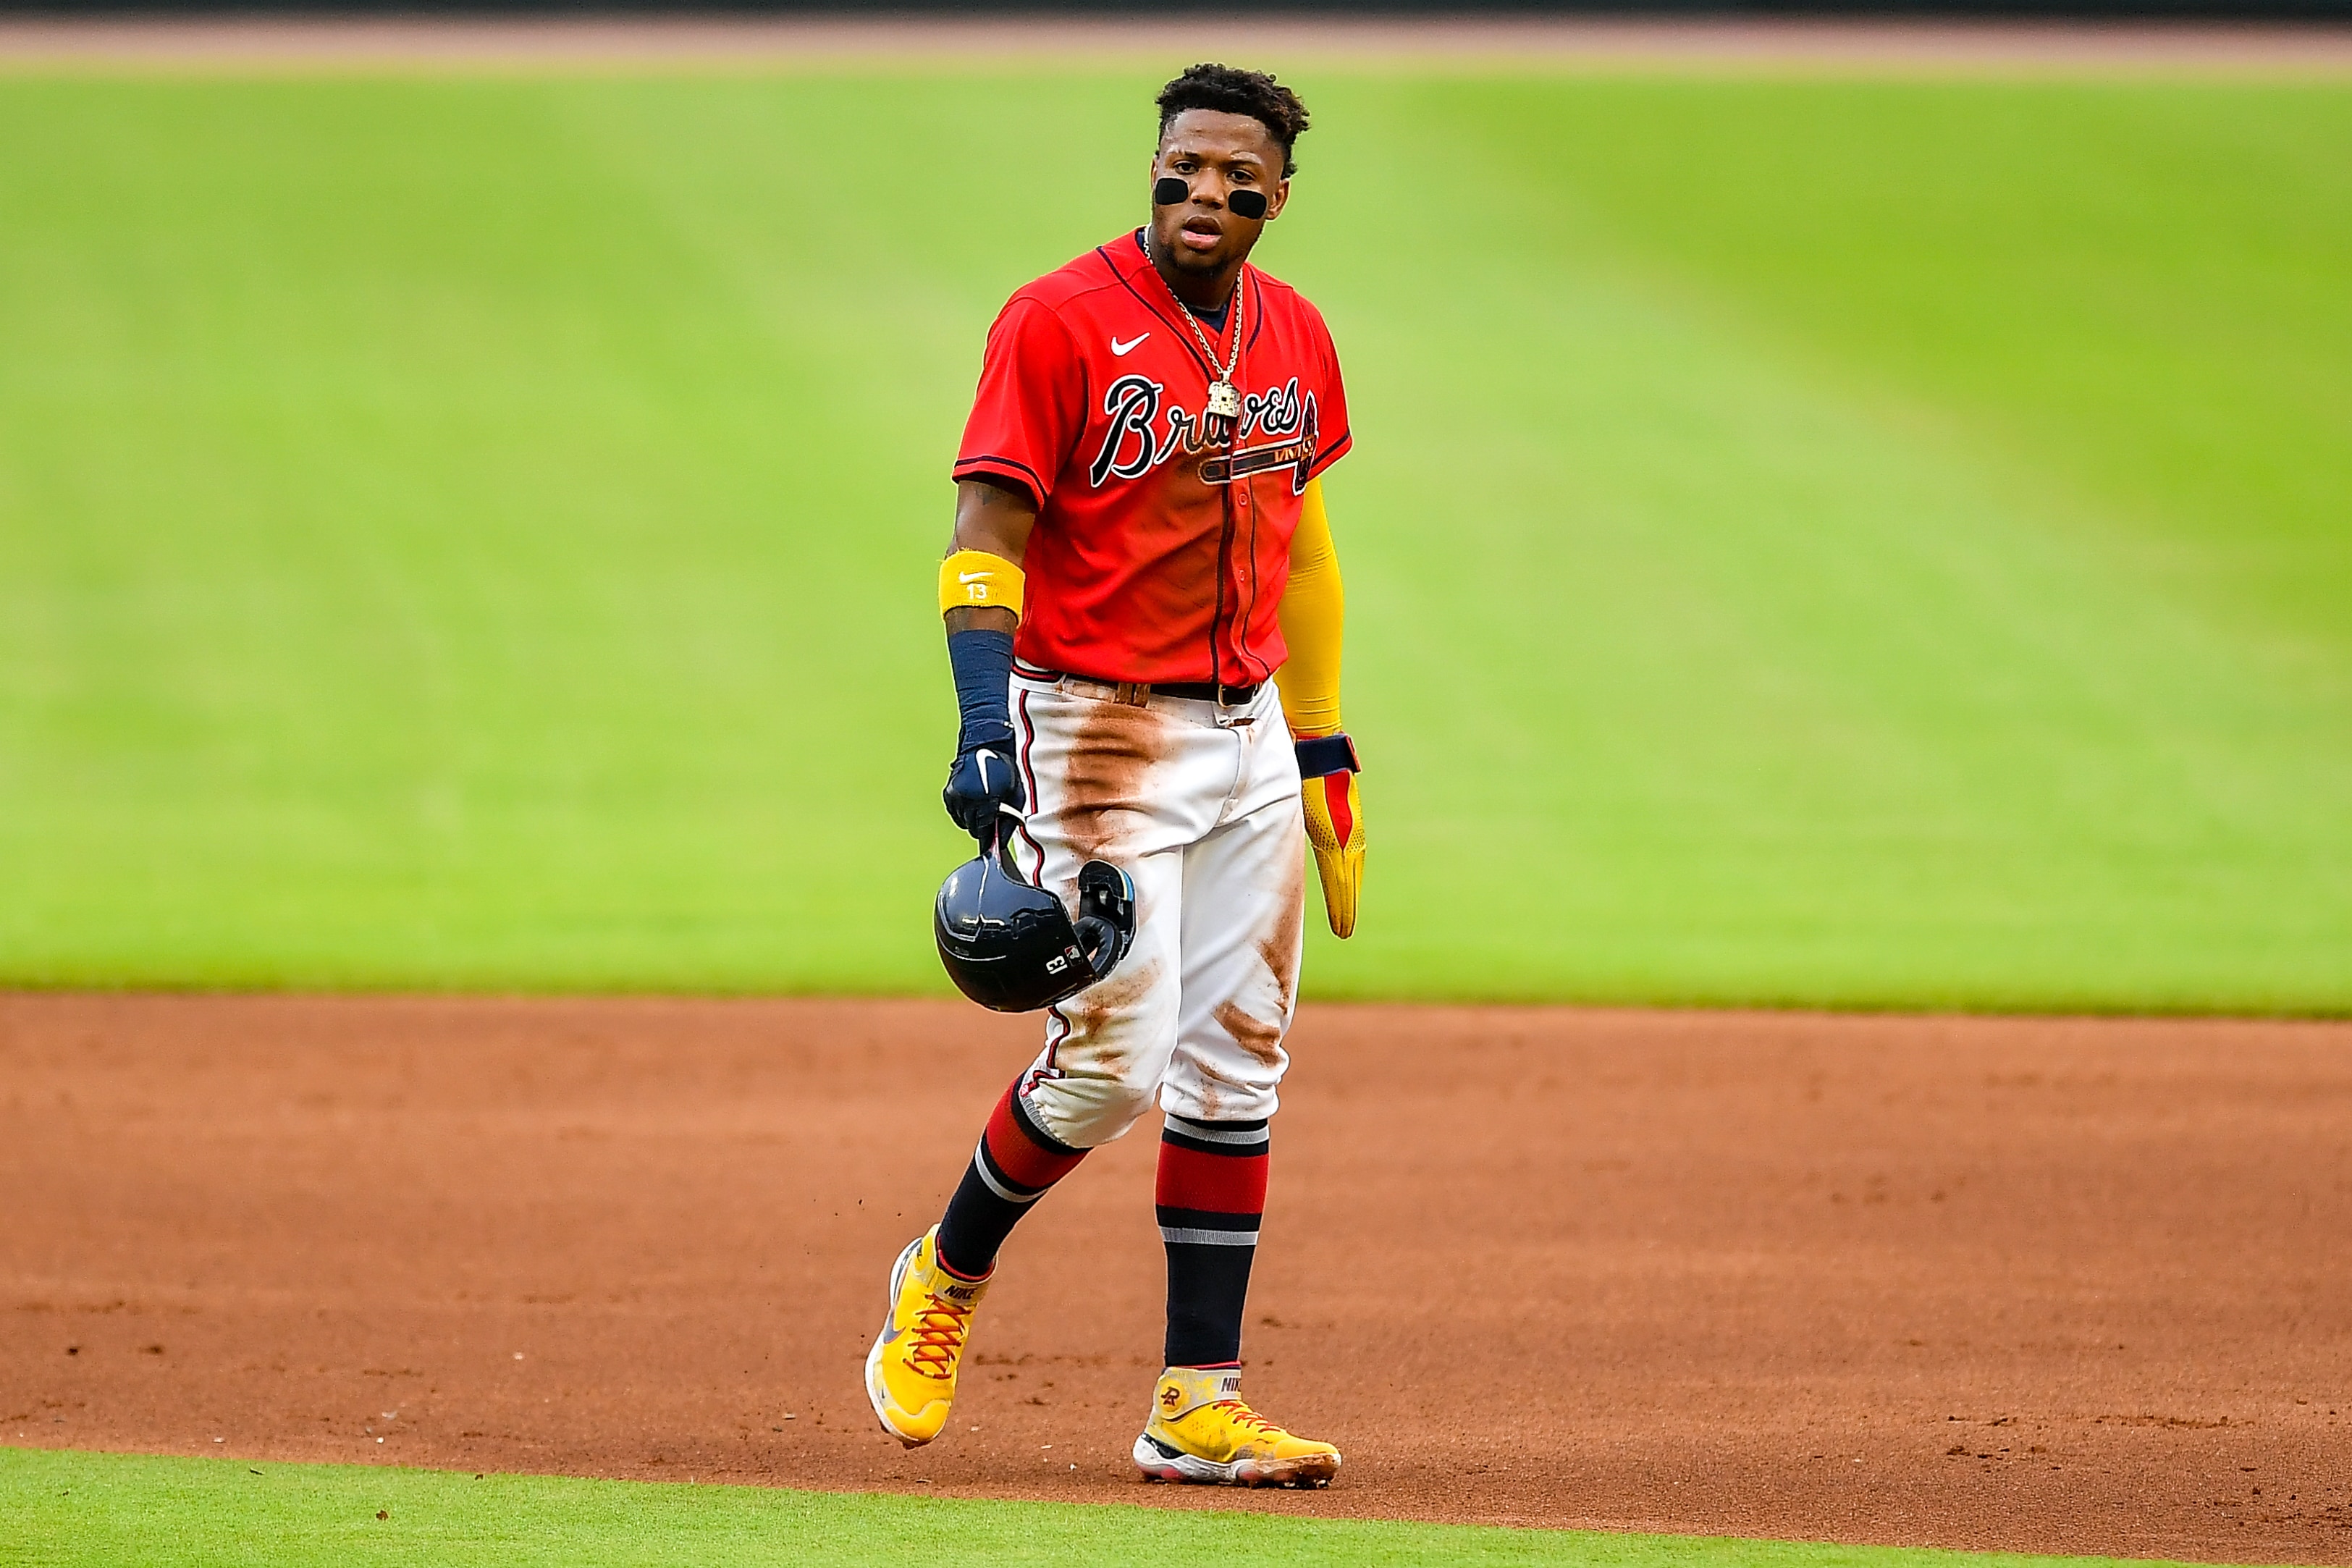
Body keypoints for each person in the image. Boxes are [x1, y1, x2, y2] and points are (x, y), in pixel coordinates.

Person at [864, 62, 1365, 1490]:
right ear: (1152, 169)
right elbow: (983, 534)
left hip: (1247, 730)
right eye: (1181, 167)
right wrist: (980, 723)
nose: (1204, 192)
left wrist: (1322, 747)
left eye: (1236, 178)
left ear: (1275, 198)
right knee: (1112, 1063)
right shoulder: (1057, 320)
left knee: (1238, 1062)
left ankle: (1196, 1401)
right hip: (1095, 729)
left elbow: (1305, 546)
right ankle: (944, 1272)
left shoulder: (1294, 333)